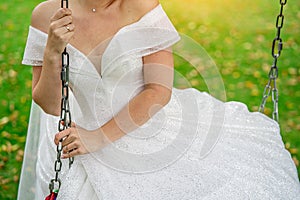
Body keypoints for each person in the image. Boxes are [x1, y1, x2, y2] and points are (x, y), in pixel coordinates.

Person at [18, 0, 300, 199]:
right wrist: (53, 51)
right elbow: (50, 104)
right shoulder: (46, 15)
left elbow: (157, 90)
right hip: (76, 136)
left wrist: (98, 138)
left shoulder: (142, 6)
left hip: (144, 124)